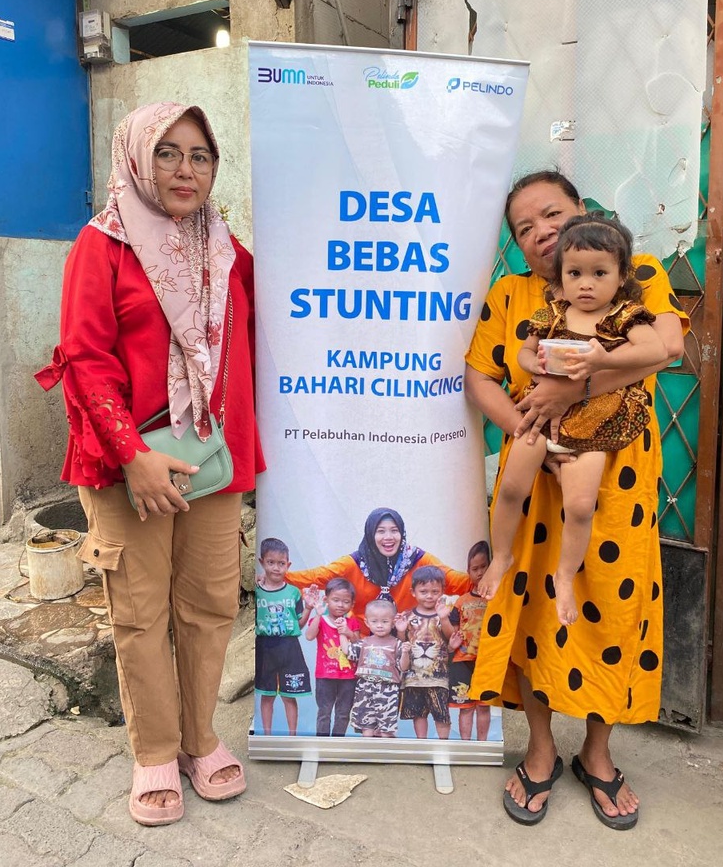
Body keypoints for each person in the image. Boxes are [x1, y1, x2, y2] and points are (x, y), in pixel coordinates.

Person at [36, 101, 265, 827]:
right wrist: (134, 457)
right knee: (139, 612)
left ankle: (201, 739)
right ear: (136, 158)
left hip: (213, 457)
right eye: (167, 153)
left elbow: (260, 338)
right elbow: (85, 360)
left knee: (210, 605)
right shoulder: (101, 246)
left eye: (199, 155)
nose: (184, 170)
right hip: (127, 460)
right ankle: (155, 752)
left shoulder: (225, 248)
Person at [465, 170, 687, 828]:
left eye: (552, 214)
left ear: (582, 210)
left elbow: (668, 346)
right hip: (535, 469)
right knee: (535, 611)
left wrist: (575, 385)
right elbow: (480, 378)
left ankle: (597, 752)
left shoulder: (632, 268)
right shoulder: (512, 295)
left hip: (615, 469)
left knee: (611, 607)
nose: (542, 233)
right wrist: (530, 424)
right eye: (525, 228)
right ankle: (539, 751)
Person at [476, 213, 667, 626]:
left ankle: (565, 576)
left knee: (580, 505)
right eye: (575, 273)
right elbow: (526, 352)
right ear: (560, 277)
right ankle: (502, 555)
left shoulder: (625, 316)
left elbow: (657, 351)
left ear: (621, 277)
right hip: (542, 416)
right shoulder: (553, 313)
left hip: (598, 422)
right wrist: (534, 361)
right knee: (510, 486)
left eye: (600, 273)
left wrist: (604, 358)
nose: (586, 283)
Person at [286, 506, 470, 624]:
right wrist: (277, 577)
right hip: (364, 643)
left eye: (394, 531)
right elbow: (317, 576)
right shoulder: (355, 563)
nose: (388, 537)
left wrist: (489, 578)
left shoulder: (417, 559)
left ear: (402, 533)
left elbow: (453, 580)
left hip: (408, 642)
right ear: (370, 535)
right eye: (380, 531)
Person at [255, 537, 312, 736]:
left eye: (281, 564)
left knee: (289, 695)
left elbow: (300, 624)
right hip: (265, 647)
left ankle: (292, 736)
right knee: (267, 695)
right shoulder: (257, 591)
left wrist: (310, 608)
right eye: (271, 563)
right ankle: (267, 736)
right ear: (262, 562)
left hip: (289, 647)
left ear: (288, 565)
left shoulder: (294, 593)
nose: (276, 568)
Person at [339, 599, 411, 738]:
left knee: (386, 730)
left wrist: (406, 652)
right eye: (374, 621)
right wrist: (342, 632)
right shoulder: (364, 642)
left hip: (388, 689)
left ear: (393, 623)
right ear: (367, 622)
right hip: (365, 688)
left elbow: (404, 666)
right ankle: (367, 757)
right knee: (366, 728)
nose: (379, 626)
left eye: (384, 621)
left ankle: (386, 757)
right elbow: (347, 651)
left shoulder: (397, 644)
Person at [396, 565, 453, 740]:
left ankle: (443, 745)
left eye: (435, 591)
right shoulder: (407, 616)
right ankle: (422, 743)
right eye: (424, 591)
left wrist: (443, 618)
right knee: (418, 713)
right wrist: (400, 630)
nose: (429, 596)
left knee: (441, 713)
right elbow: (402, 643)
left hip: (439, 676)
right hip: (414, 677)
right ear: (413, 592)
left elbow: (451, 637)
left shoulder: (445, 613)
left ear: (442, 591)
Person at [303, 577, 362, 736]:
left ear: (352, 604)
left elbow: (357, 642)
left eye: (346, 601)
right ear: (326, 599)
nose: (341, 605)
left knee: (343, 713)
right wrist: (317, 615)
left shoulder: (353, 622)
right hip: (325, 676)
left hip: (348, 676)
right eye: (336, 600)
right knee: (324, 711)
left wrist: (347, 632)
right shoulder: (321, 621)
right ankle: (322, 743)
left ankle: (337, 742)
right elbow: (309, 636)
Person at [447, 540, 492, 741]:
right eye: (475, 568)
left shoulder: (496, 600)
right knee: (465, 708)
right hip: (462, 661)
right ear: (468, 571)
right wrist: (451, 644)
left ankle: (482, 744)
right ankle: (466, 744)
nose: (480, 572)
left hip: (487, 661)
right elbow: (453, 632)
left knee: (484, 706)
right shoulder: (461, 601)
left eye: (485, 567)